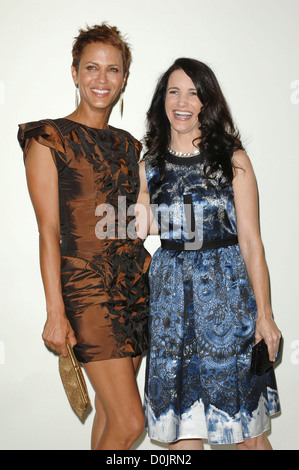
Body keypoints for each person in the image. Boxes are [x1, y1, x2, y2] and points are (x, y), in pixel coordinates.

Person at [17, 23, 151, 450]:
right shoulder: (49, 138)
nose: (102, 79)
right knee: (131, 423)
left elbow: (135, 220)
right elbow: (48, 231)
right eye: (91, 68)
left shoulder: (131, 146)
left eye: (113, 70)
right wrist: (55, 311)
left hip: (134, 286)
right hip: (88, 289)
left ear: (124, 78)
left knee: (112, 414)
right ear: (74, 72)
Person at [137, 58, 281, 450]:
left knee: (248, 435)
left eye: (193, 92)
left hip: (228, 303)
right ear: (162, 100)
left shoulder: (233, 161)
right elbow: (140, 225)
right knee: (183, 434)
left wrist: (264, 317)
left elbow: (251, 241)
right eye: (173, 91)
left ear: (207, 102)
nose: (182, 102)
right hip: (171, 310)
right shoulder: (148, 164)